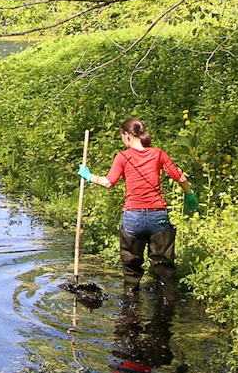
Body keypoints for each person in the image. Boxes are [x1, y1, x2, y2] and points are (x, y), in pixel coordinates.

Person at [78, 117, 198, 294]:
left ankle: (130, 309)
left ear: (126, 135)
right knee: (164, 269)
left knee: (131, 270)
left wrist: (89, 176)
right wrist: (190, 195)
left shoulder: (123, 157)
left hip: (133, 218)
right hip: (158, 217)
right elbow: (180, 178)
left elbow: (109, 182)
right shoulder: (158, 153)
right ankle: (167, 309)